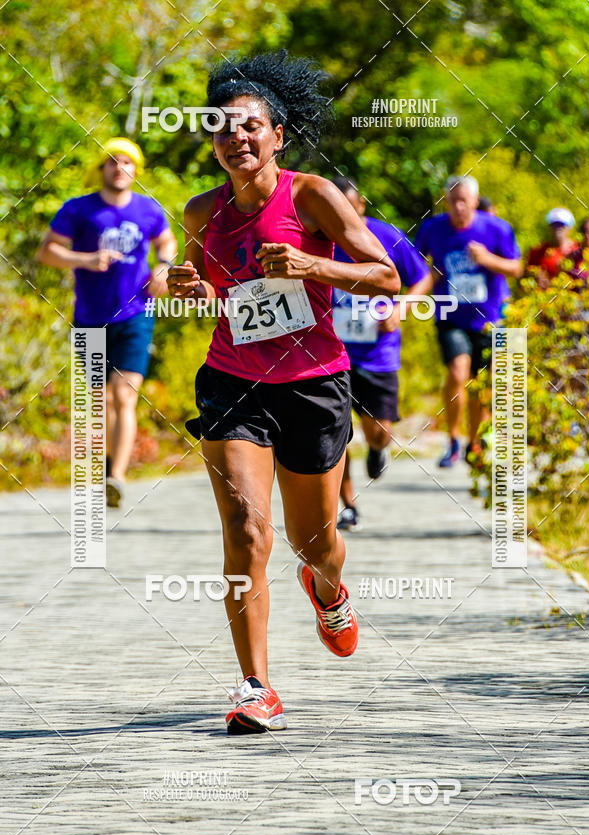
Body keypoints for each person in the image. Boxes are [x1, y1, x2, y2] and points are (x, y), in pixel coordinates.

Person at [167, 51, 400, 735]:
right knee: (246, 532)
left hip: (314, 385)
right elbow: (221, 298)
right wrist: (192, 292)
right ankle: (255, 685)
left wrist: (309, 262)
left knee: (314, 542)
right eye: (222, 129)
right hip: (234, 383)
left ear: (277, 134)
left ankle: (327, 589)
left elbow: (385, 276)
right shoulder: (201, 210)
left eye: (250, 127)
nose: (236, 138)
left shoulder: (312, 197)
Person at [36, 138, 177, 507]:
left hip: (136, 314)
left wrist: (163, 268)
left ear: (136, 170)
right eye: (113, 162)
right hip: (89, 318)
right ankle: (106, 467)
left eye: (127, 162)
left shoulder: (149, 209)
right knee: (99, 401)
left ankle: (116, 477)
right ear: (102, 169)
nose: (120, 168)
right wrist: (85, 260)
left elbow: (167, 242)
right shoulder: (79, 210)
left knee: (124, 395)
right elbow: (47, 252)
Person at [330, 177, 432, 531]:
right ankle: (348, 505)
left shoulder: (386, 237)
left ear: (360, 206)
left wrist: (400, 309)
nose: (340, 214)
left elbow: (423, 278)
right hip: (329, 355)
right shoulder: (316, 239)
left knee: (378, 431)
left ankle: (376, 449)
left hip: (378, 354)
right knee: (335, 434)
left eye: (348, 207)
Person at [415, 175, 522, 467]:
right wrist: (420, 285)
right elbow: (415, 267)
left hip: (491, 319)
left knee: (481, 386)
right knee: (457, 373)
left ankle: (472, 442)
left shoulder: (496, 229)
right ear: (445, 202)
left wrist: (487, 259)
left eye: (464, 200)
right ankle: (451, 440)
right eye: (452, 201)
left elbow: (516, 268)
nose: (458, 206)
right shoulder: (433, 229)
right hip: (450, 314)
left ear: (475, 201)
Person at [526, 207, 577, 286]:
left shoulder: (578, 251)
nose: (558, 228)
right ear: (549, 227)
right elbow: (524, 278)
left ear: (569, 228)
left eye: (562, 225)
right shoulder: (537, 252)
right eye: (555, 225)